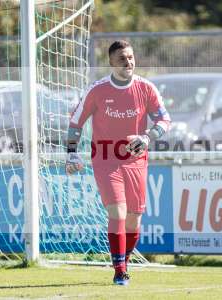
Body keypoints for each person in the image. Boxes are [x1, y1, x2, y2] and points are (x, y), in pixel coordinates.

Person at [65, 40, 171, 286]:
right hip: (105, 158)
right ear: (111, 62)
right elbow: (76, 123)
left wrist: (147, 137)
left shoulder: (146, 88)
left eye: (131, 57)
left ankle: (123, 260)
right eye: (122, 58)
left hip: (136, 160)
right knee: (118, 211)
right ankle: (120, 270)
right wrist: (71, 153)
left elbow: (164, 120)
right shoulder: (98, 90)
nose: (128, 62)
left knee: (134, 216)